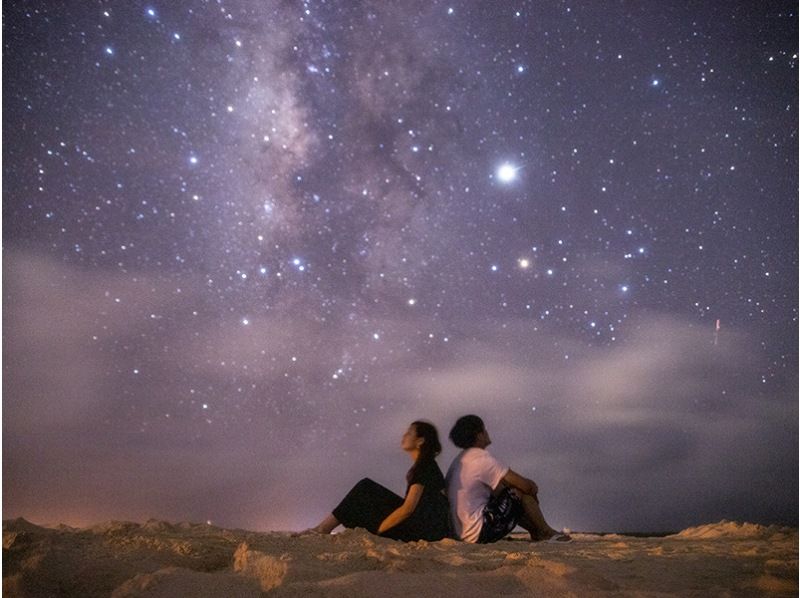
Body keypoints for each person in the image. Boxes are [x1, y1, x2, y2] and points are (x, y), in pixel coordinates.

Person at [303, 421, 451, 541]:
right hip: (425, 528)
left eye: (409, 432)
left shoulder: (425, 467)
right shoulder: (426, 465)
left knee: (365, 488)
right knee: (367, 493)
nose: (404, 435)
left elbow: (408, 509)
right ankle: (323, 529)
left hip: (423, 533)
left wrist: (381, 529)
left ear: (420, 441)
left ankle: (323, 529)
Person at [445, 414, 571, 544]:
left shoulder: (461, 459)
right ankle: (545, 531)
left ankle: (536, 531)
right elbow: (525, 485)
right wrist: (533, 488)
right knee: (517, 491)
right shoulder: (480, 458)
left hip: (462, 533)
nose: (487, 432)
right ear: (479, 435)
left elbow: (499, 489)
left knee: (501, 490)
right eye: (484, 429)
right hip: (477, 532)